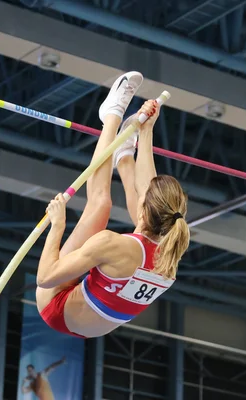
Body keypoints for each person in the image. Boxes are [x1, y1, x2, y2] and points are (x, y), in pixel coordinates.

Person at [36, 71, 190, 338]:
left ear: (145, 209)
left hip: (55, 306)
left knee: (100, 204)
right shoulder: (169, 257)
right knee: (133, 207)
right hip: (88, 323)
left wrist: (57, 226)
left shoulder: (115, 245)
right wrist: (146, 130)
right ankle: (124, 156)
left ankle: (111, 113)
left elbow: (45, 278)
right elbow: (148, 196)